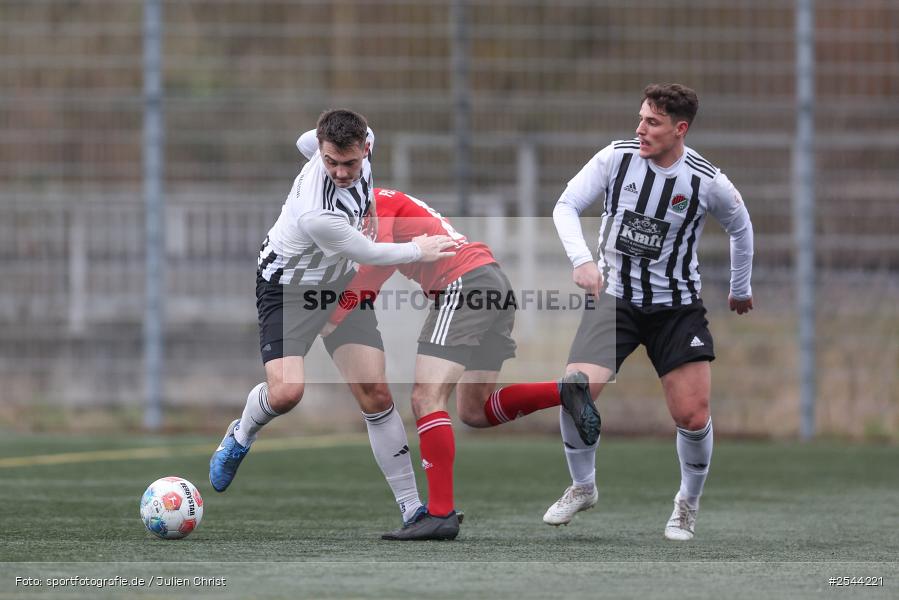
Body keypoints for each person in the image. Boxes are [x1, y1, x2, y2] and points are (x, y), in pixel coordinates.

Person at [322, 187, 601, 541]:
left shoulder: (378, 200)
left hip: (462, 283)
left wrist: (337, 313)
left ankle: (439, 514)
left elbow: (379, 261)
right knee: (474, 411)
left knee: (425, 398)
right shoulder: (376, 201)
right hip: (491, 280)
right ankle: (565, 390)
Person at [208, 109, 457, 505]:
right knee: (287, 393)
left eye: (350, 163)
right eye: (330, 162)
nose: (340, 172)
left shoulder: (350, 141)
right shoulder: (316, 212)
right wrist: (418, 250)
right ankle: (240, 436)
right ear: (322, 154)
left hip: (338, 282)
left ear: (366, 147)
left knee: (375, 392)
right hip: (287, 288)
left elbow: (303, 143)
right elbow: (369, 251)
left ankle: (414, 510)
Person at [546, 83, 754, 540]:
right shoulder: (615, 158)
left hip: (677, 308)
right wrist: (582, 261)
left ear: (680, 130)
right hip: (616, 301)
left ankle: (686, 504)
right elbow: (566, 206)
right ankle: (583, 487)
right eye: (640, 117)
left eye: (653, 122)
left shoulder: (705, 180)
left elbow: (741, 226)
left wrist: (740, 288)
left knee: (692, 416)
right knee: (575, 389)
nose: (640, 128)